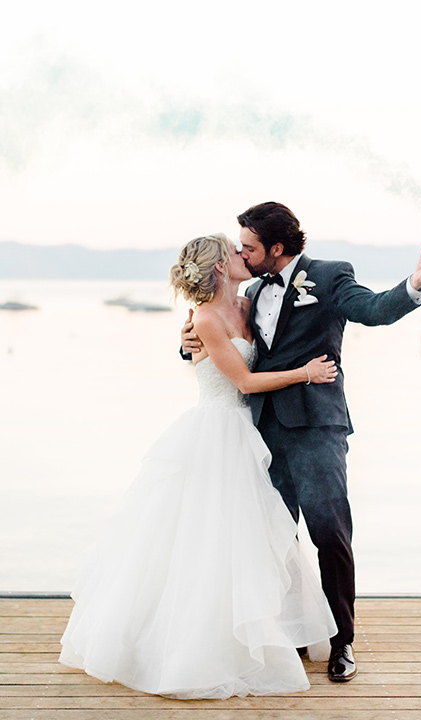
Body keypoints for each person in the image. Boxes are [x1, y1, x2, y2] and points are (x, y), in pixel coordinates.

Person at [59, 232, 339, 700]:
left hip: (250, 434)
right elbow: (245, 380)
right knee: (209, 538)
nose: (242, 255)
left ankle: (276, 628)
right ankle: (198, 643)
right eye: (234, 251)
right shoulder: (206, 318)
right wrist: (304, 373)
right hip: (217, 432)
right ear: (216, 267)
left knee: (254, 535)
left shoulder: (250, 305)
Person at [181, 202, 421, 682]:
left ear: (276, 249)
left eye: (250, 246)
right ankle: (292, 634)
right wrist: (186, 344)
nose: (241, 251)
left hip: (317, 427)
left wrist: (416, 284)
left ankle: (342, 641)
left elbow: (372, 310)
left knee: (329, 532)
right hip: (256, 430)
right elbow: (220, 339)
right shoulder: (251, 288)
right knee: (271, 539)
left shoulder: (329, 275)